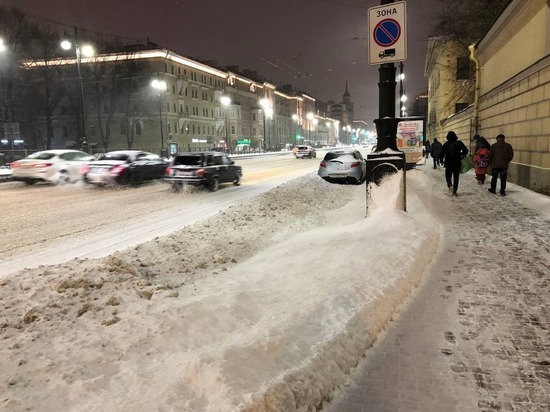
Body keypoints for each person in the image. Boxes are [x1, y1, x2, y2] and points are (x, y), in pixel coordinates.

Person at [440, 131, 469, 196]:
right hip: (457, 162)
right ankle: (455, 191)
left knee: (448, 175)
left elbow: (442, 153)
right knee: (456, 177)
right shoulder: (459, 143)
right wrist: (461, 154)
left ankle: (450, 185)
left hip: (448, 162)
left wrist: (441, 161)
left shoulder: (446, 144)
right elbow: (466, 150)